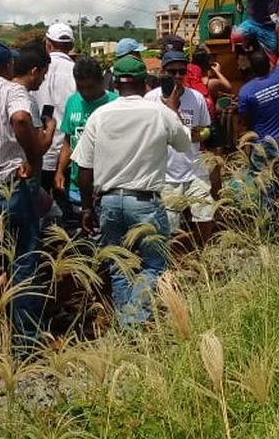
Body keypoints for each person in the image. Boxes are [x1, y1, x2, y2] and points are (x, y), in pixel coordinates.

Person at [74, 56, 191, 326]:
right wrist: (172, 109)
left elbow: (84, 168)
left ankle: (127, 326)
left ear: (114, 82)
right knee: (155, 265)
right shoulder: (160, 113)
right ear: (144, 83)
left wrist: (87, 208)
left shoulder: (99, 115)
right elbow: (184, 145)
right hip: (145, 203)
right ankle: (134, 322)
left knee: (118, 266)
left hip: (109, 202)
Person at [0, 41, 55, 353]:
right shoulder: (11, 91)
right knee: (23, 259)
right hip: (10, 186)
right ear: (7, 66)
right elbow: (20, 120)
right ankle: (25, 339)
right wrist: (33, 158)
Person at [235, 21, 279, 232]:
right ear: (268, 66)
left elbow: (244, 122)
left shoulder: (245, 91)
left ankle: (268, 229)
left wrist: (244, 148)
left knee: (265, 188)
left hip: (261, 145)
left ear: (252, 69)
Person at [144, 50, 213, 231]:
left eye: (182, 72)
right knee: (170, 227)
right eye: (172, 72)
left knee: (204, 216)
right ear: (163, 72)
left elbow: (206, 129)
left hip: (194, 169)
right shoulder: (150, 99)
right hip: (166, 174)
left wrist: (196, 134)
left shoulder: (196, 98)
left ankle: (203, 255)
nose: (177, 76)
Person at [54, 57, 117, 233]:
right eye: (81, 87)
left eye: (90, 87)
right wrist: (60, 171)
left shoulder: (115, 103)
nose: (86, 93)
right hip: (76, 187)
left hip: (106, 188)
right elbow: (68, 140)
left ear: (101, 82)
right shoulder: (73, 102)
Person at [32, 24, 76, 222]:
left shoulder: (37, 70)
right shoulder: (77, 71)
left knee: (37, 207)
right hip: (70, 148)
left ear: (48, 44)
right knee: (67, 208)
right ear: (71, 45)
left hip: (40, 148)